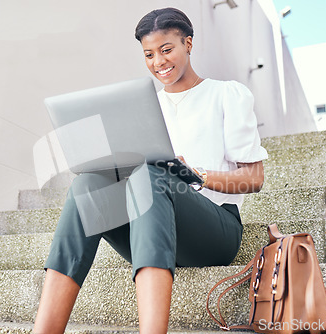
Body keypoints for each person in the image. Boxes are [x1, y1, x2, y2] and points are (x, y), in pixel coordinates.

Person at [33, 7, 268, 334]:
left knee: (154, 176)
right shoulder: (143, 106)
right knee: (87, 185)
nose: (158, 61)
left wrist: (196, 176)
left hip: (215, 230)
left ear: (188, 43)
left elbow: (253, 180)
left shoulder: (226, 95)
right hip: (150, 227)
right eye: (149, 54)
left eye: (166, 49)